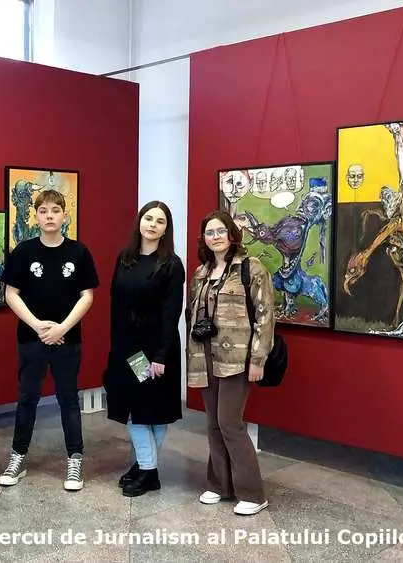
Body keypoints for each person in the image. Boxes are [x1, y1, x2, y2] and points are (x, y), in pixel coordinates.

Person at [0, 188, 98, 491]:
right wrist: (39, 326)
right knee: (27, 398)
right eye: (43, 211)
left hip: (68, 340)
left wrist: (62, 328)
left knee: (68, 399)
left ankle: (75, 459)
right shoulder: (24, 252)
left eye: (55, 210)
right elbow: (11, 293)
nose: (49, 216)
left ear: (65, 215)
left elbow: (87, 296)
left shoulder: (79, 252)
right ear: (36, 216)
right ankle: (18, 456)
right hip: (31, 339)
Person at [185, 209, 274, 516]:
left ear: (232, 234)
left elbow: (265, 315)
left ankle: (252, 492)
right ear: (204, 239)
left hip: (237, 358)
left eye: (221, 231)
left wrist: (258, 358)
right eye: (210, 233)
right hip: (204, 356)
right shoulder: (200, 273)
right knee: (212, 423)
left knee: (229, 423)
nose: (216, 237)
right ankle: (219, 484)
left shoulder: (251, 268)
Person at [103, 201, 185, 497]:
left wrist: (161, 357)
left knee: (152, 409)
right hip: (129, 349)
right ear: (140, 222)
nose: (152, 224)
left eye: (160, 221)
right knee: (135, 406)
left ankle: (147, 470)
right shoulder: (125, 259)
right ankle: (145, 466)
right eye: (148, 218)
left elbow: (171, 313)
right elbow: (116, 306)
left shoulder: (171, 265)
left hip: (156, 349)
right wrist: (115, 347)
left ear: (166, 230)